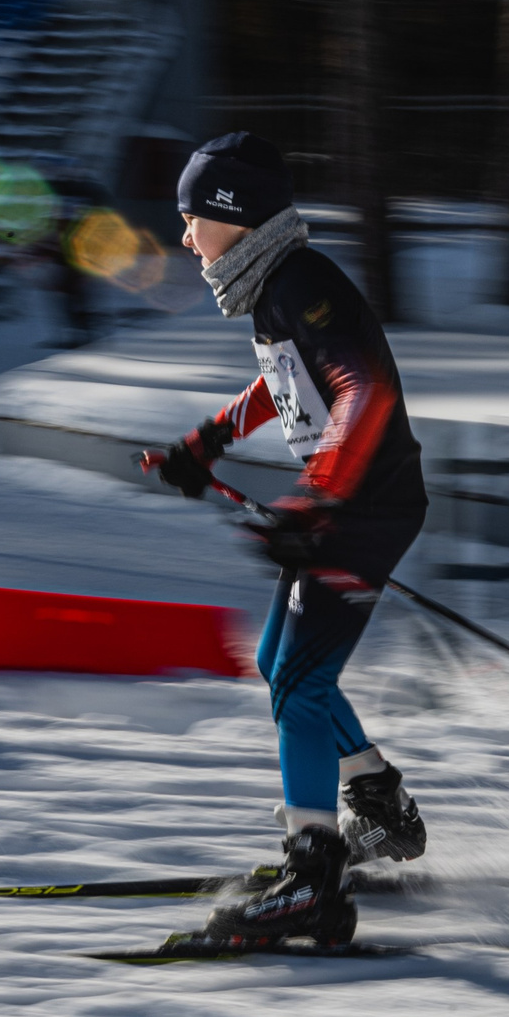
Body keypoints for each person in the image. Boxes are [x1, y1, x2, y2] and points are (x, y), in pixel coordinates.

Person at [138, 132, 429, 947]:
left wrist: (317, 499)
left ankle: (313, 881)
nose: (186, 236)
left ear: (233, 214)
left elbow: (361, 389)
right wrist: (207, 442)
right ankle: (379, 805)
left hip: (362, 509)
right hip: (349, 507)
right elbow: (285, 379)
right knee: (280, 662)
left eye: (193, 216)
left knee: (299, 681)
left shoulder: (301, 281)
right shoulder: (276, 285)